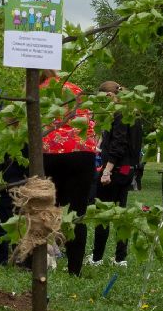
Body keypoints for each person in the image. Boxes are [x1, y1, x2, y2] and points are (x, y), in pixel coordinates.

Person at [39, 70, 99, 275]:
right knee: (77, 212)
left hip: (50, 153)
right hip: (82, 154)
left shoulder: (37, 91)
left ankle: (38, 262)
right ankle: (75, 268)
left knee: (44, 210)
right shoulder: (75, 89)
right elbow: (91, 123)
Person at [89, 80, 143, 267]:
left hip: (115, 170)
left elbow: (118, 145)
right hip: (128, 170)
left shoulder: (119, 114)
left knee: (103, 213)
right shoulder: (134, 113)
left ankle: (96, 257)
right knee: (121, 214)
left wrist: (107, 171)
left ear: (110, 96)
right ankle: (121, 258)